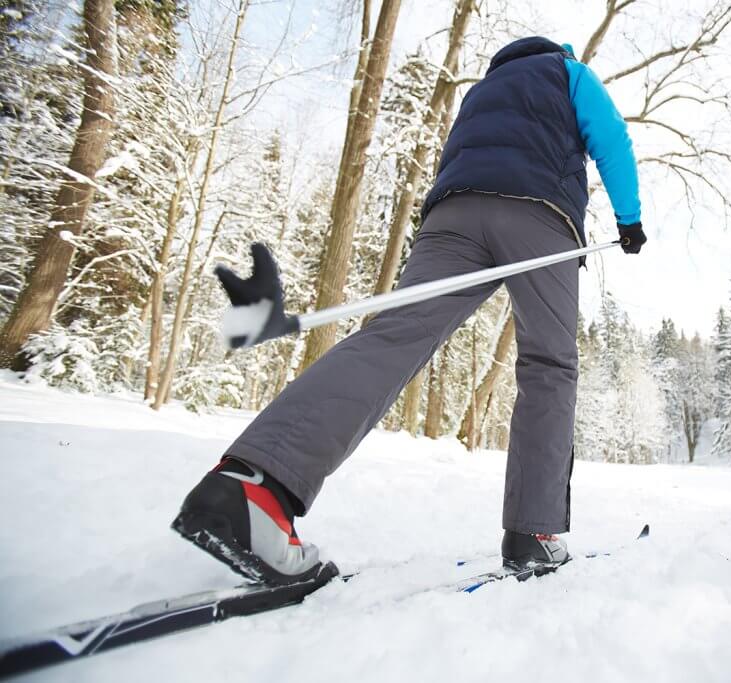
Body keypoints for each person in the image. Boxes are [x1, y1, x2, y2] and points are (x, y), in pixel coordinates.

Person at [172, 36, 646, 585]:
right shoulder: (569, 73)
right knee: (549, 365)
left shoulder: (481, 92)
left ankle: (256, 484)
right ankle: (534, 533)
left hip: (452, 217)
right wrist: (629, 220)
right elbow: (611, 138)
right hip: (539, 217)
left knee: (393, 337)